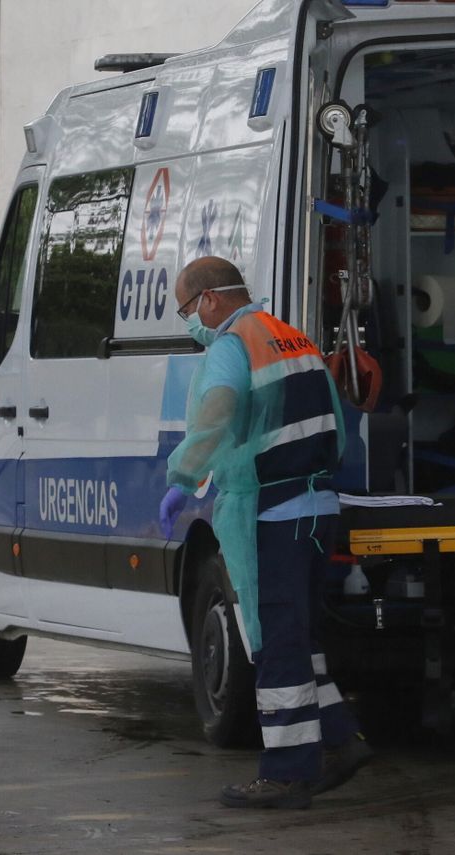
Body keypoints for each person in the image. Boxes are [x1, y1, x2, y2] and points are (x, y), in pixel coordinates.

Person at [159, 256, 374, 809]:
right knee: (299, 638)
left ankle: (286, 772)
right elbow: (334, 419)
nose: (189, 321)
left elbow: (220, 408)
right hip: (317, 506)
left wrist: (186, 473)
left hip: (273, 511)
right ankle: (340, 740)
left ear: (209, 299)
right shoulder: (289, 337)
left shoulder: (233, 345)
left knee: (276, 643)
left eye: (186, 309)